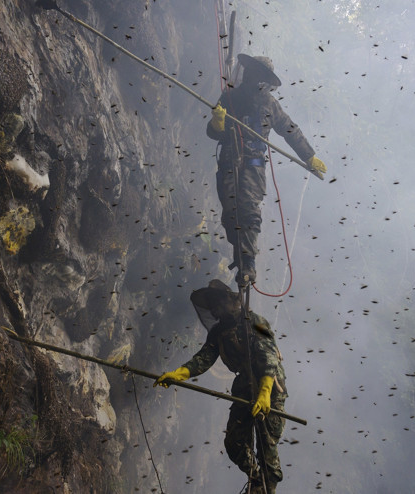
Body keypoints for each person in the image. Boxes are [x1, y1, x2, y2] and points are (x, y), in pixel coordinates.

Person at [155, 279, 288, 493]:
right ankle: (254, 478)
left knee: (267, 443)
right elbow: (203, 358)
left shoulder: (256, 321)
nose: (215, 308)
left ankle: (267, 488)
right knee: (234, 442)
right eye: (211, 305)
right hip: (244, 385)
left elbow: (269, 355)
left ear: (229, 299)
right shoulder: (217, 333)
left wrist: (264, 393)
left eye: (217, 302)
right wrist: (178, 374)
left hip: (271, 385)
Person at [207, 54, 327, 286]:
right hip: (229, 161)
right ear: (248, 72)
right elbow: (213, 133)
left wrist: (309, 155)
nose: (256, 79)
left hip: (253, 165)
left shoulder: (271, 105)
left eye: (262, 76)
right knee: (231, 211)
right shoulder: (230, 97)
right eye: (254, 73)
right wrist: (217, 123)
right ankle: (240, 258)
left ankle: (248, 264)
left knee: (249, 209)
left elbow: (290, 130)